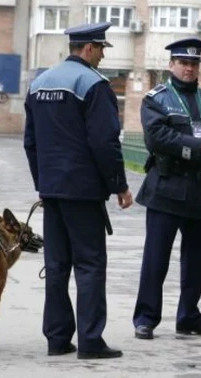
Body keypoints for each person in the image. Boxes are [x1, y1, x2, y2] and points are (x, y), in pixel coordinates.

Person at [23, 22, 133, 360]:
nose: (101, 56)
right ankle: (90, 341)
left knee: (56, 266)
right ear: (88, 48)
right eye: (101, 49)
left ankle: (57, 339)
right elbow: (104, 142)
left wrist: (42, 184)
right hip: (83, 192)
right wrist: (120, 185)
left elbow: (31, 143)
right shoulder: (93, 85)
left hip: (52, 191)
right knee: (89, 265)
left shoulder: (38, 84)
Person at [132, 37, 201, 341]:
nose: (189, 68)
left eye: (194, 63)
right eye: (183, 63)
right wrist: (198, 144)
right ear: (171, 65)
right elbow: (157, 138)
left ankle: (189, 316)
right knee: (156, 259)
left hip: (200, 189)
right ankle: (146, 318)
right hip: (167, 185)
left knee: (195, 260)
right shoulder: (156, 99)